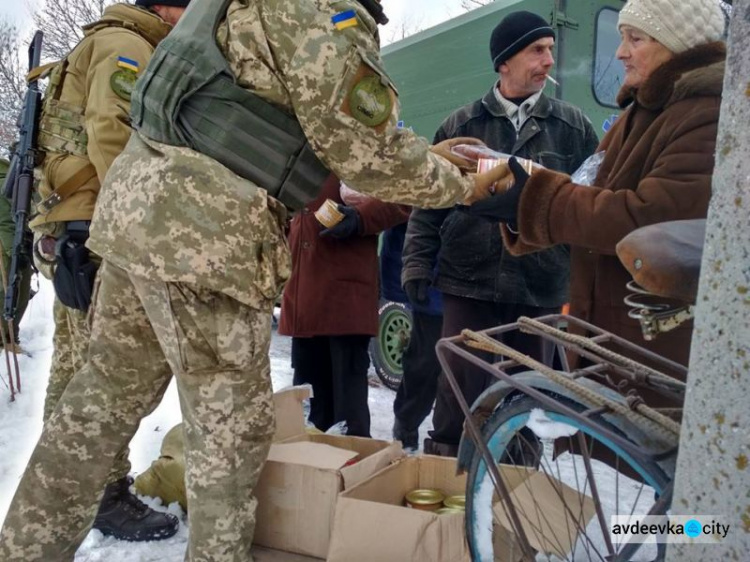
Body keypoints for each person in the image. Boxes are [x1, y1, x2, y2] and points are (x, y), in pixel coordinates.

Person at [0, 0, 511, 559]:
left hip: (134, 222)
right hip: (203, 239)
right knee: (229, 438)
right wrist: (463, 185)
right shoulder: (322, 10)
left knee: (97, 408)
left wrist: (423, 159)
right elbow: (365, 149)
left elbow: (278, 118)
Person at [469, 0, 726, 387]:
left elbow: (650, 221)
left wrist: (535, 200)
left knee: (638, 443)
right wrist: (522, 192)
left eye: (634, 39)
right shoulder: (645, 111)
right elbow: (590, 190)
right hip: (618, 329)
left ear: (677, 43)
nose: (620, 52)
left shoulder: (705, 115)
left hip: (652, 342)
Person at [20, 0, 189, 542]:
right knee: (103, 374)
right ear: (166, 7)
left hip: (76, 226)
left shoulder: (112, 40)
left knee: (78, 368)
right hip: (95, 231)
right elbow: (113, 138)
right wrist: (145, 229)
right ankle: (97, 493)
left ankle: (82, 489)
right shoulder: (127, 45)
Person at [402, 10, 599, 456]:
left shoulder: (573, 128)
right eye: (537, 50)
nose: (549, 61)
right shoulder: (461, 125)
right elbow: (428, 202)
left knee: (526, 400)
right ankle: (447, 487)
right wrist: (416, 261)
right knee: (456, 395)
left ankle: (517, 494)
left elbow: (588, 206)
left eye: (550, 49)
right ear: (504, 61)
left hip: (540, 286)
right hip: (467, 282)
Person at [279, 175, 410, 437]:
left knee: (348, 410)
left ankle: (352, 470)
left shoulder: (365, 140)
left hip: (344, 294)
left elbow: (404, 196)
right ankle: (313, 470)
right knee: (309, 407)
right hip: (304, 291)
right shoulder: (300, 141)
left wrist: (360, 218)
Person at [387, 219, 444, 451]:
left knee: (469, 375)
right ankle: (406, 427)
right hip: (439, 282)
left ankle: (447, 443)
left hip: (495, 289)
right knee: (424, 363)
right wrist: (417, 267)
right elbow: (422, 220)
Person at [0, 158, 33, 352]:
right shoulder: (6, 174)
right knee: (13, 293)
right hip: (10, 248)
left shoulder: (9, 172)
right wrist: (16, 254)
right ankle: (7, 340)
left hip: (13, 245)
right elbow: (6, 222)